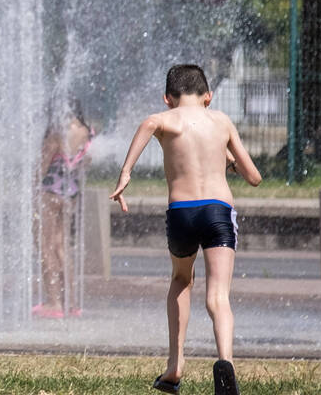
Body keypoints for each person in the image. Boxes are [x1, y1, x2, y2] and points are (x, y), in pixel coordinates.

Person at [110, 64, 262, 395]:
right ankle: (226, 363)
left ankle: (175, 367)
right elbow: (254, 177)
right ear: (208, 97)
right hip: (218, 211)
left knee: (181, 280)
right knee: (218, 295)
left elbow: (149, 123)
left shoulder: (166, 120)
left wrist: (126, 173)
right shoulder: (221, 121)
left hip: (180, 213)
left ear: (168, 98)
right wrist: (227, 162)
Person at [34, 100, 93, 319]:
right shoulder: (88, 132)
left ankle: (53, 302)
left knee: (46, 247)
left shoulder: (56, 133)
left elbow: (42, 166)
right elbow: (84, 163)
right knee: (62, 248)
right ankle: (72, 303)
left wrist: (31, 189)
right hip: (70, 195)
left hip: (49, 194)